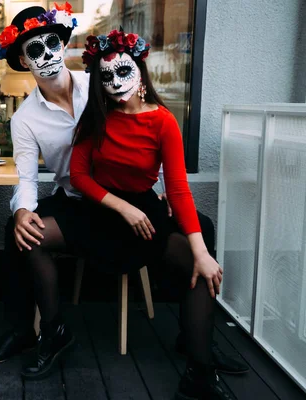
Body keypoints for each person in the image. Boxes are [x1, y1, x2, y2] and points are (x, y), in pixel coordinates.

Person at [0, 3, 247, 382]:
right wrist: (22, 211)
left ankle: (198, 337)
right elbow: (27, 178)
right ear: (22, 60)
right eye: (33, 51)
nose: (47, 56)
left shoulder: (101, 84)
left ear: (63, 44)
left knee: (201, 229)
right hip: (78, 197)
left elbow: (147, 133)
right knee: (20, 231)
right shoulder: (24, 119)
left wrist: (161, 187)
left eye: (51, 43)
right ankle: (35, 330)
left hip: (134, 194)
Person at [69, 30, 235, 399]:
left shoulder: (163, 121)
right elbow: (79, 176)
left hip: (145, 210)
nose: (115, 82)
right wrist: (120, 205)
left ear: (141, 73)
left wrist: (203, 253)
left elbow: (176, 188)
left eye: (123, 72)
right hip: (103, 213)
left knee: (199, 251)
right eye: (106, 76)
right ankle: (198, 340)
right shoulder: (95, 118)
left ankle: (199, 364)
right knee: (197, 239)